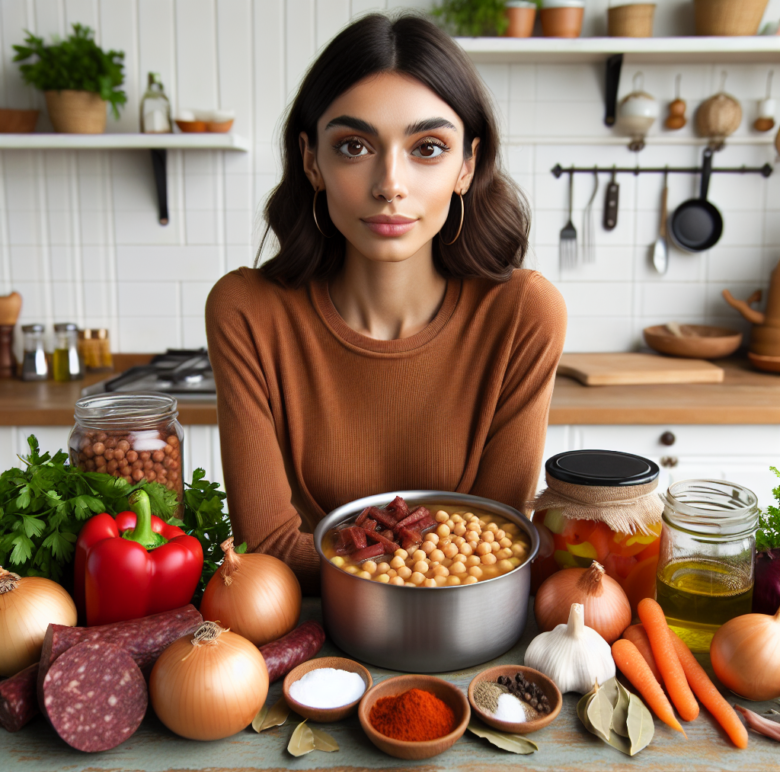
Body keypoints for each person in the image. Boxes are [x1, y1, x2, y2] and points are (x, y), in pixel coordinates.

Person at [206, 12, 567, 594]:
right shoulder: (247, 311)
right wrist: (427, 557)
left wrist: (360, 556)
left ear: (467, 166)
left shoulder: (523, 314)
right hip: (307, 639)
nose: (390, 183)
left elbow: (496, 546)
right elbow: (268, 551)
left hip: (467, 637)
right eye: (354, 145)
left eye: (427, 147)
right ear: (310, 160)